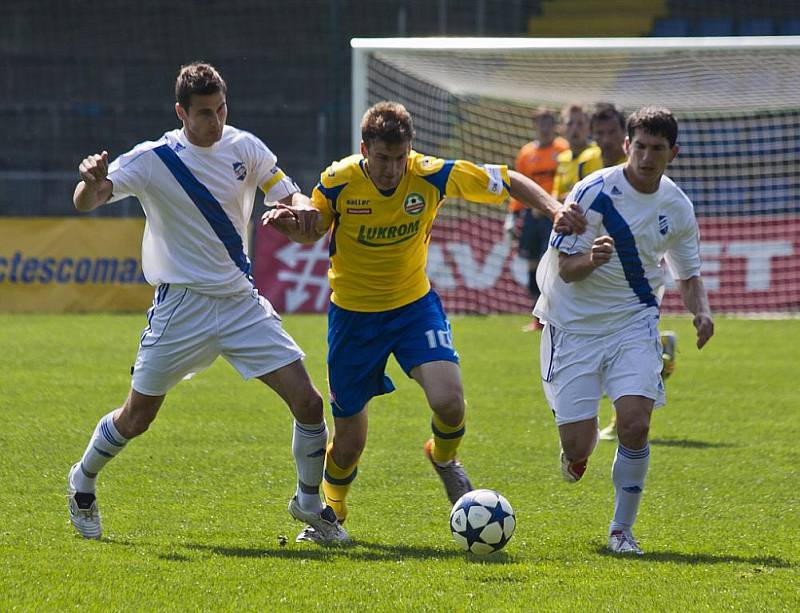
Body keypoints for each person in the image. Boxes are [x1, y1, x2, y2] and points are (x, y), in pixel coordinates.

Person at [264, 101, 586, 533]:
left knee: (450, 403)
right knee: (348, 446)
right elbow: (314, 229)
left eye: (400, 158)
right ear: (365, 149)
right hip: (354, 318)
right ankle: (333, 510)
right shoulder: (338, 180)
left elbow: (507, 179)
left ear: (410, 150)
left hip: (413, 308)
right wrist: (291, 225)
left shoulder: (431, 173)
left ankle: (443, 456)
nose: (392, 169)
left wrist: (554, 208)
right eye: (382, 158)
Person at [66, 62, 347, 544]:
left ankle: (307, 505)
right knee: (137, 417)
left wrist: (298, 213)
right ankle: (82, 481)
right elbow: (86, 202)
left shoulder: (245, 147)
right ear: (181, 112)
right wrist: (90, 181)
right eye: (203, 114)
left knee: (309, 402)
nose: (215, 122)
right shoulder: (153, 159)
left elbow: (293, 195)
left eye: (220, 109)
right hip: (182, 307)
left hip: (240, 303)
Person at [534, 107, 714, 555]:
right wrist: (591, 259)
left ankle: (621, 530)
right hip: (573, 326)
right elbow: (566, 270)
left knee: (635, 424)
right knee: (579, 444)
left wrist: (701, 313)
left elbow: (687, 275)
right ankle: (575, 452)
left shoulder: (677, 206)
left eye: (657, 149)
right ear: (626, 146)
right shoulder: (592, 192)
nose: (646, 157)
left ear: (673, 152)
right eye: (640, 147)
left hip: (633, 323)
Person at [589, 102, 678, 441]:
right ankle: (661, 347)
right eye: (600, 133)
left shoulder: (643, 168)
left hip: (629, 271)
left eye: (611, 131)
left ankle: (619, 419)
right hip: (590, 269)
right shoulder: (583, 165)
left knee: (622, 349)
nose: (605, 139)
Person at [504, 107, 569, 331]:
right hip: (531, 217)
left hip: (554, 215)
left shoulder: (563, 149)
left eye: (549, 121)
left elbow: (567, 180)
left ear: (555, 124)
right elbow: (517, 187)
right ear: (534, 124)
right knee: (532, 263)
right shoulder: (526, 153)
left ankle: (555, 316)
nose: (544, 126)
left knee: (550, 263)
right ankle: (538, 318)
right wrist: (512, 216)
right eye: (540, 121)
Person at [552, 103, 603, 203]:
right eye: (570, 123)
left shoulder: (595, 154)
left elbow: (590, 194)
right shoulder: (562, 158)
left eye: (580, 123)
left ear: (589, 128)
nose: (575, 128)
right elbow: (556, 193)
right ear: (561, 128)